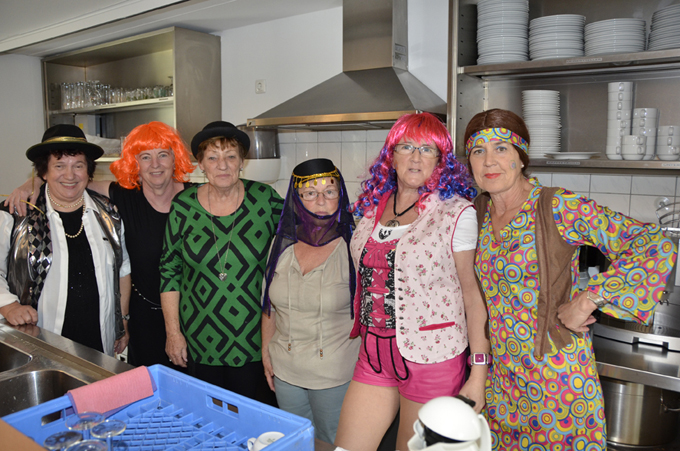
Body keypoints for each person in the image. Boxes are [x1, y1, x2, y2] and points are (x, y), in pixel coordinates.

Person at [464, 108, 677, 450]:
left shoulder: (557, 206)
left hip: (557, 384)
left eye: (501, 148)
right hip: (502, 383)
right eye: (478, 151)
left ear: (521, 156)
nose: (490, 161)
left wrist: (590, 298)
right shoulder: (479, 212)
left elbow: (652, 242)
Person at [334, 112, 490, 451]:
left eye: (427, 149)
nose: (416, 158)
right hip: (374, 354)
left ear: (440, 161)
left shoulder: (456, 213)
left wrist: (478, 373)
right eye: (406, 147)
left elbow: (472, 296)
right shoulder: (372, 207)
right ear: (391, 156)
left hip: (433, 357)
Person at [5, 121, 195, 368]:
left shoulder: (196, 198)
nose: (155, 164)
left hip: (192, 315)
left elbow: (122, 267)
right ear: (135, 163)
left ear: (175, 157)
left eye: (163, 155)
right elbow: (68, 183)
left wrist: (120, 321)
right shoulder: (120, 198)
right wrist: (32, 184)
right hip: (135, 321)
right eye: (145, 157)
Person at [160, 121, 283, 399]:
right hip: (198, 339)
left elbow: (298, 241)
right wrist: (173, 333)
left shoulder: (265, 200)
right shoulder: (183, 206)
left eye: (230, 156)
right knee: (204, 416)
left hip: (255, 338)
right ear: (201, 164)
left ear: (242, 162)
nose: (223, 165)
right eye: (213, 158)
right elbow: (169, 272)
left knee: (252, 415)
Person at [0, 124, 130, 356]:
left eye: (78, 166)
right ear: (44, 172)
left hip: (99, 341)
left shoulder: (109, 213)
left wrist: (122, 323)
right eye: (59, 166)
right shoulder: (16, 214)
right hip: (37, 341)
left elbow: (123, 270)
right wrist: (8, 305)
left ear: (88, 171)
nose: (70, 175)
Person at [261, 158, 359, 444]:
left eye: (329, 191)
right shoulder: (281, 244)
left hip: (334, 374)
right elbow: (269, 306)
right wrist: (266, 351)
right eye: (309, 193)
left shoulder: (355, 245)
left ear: (340, 196)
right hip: (285, 370)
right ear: (297, 199)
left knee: (333, 442)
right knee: (294, 441)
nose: (321, 200)